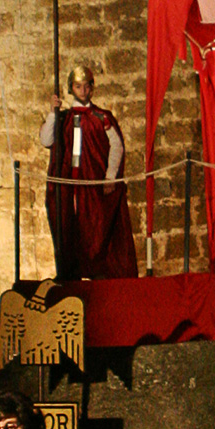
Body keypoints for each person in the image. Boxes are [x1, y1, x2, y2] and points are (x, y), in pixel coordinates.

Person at [39, 64, 137, 279]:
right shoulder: (63, 118)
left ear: (91, 88)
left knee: (95, 231)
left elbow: (117, 146)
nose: (82, 91)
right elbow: (46, 140)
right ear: (71, 88)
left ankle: (98, 274)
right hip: (67, 186)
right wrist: (53, 113)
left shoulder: (102, 117)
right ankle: (70, 274)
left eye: (86, 86)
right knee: (68, 230)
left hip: (92, 187)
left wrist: (110, 176)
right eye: (78, 86)